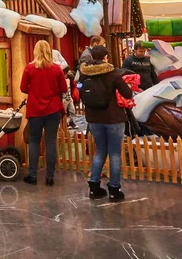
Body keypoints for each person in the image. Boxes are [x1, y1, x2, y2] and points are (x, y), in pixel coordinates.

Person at [80, 45, 133, 202]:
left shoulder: (84, 73)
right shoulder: (112, 73)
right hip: (113, 118)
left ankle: (94, 187)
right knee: (115, 153)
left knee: (100, 151)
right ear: (105, 58)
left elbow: (79, 88)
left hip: (94, 119)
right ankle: (114, 190)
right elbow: (127, 93)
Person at [20, 40, 67, 186]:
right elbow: (64, 88)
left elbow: (23, 88)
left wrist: (34, 89)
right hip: (53, 109)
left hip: (35, 109)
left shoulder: (29, 69)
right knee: (50, 141)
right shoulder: (56, 69)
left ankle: (33, 175)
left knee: (34, 141)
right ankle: (50, 177)